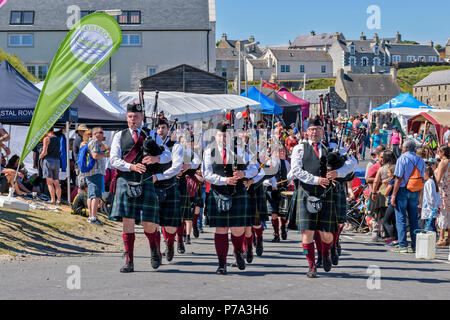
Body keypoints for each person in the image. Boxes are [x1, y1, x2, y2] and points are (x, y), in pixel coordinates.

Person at [287, 116, 354, 278]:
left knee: (327, 234)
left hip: (327, 194)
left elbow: (352, 163)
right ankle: (311, 265)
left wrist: (338, 172)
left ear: (322, 131)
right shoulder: (299, 148)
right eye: (311, 129)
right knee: (307, 232)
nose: (314, 132)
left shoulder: (331, 146)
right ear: (306, 132)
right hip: (307, 193)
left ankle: (326, 252)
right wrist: (317, 180)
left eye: (317, 129)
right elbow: (296, 171)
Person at [109, 103, 172, 273]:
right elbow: (113, 160)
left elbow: (167, 155)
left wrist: (156, 159)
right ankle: (129, 261)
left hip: (145, 180)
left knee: (148, 224)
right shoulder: (118, 136)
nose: (132, 120)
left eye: (136, 117)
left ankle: (154, 249)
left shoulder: (151, 134)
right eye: (130, 117)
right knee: (127, 222)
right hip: (126, 179)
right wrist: (131, 167)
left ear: (142, 117)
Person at [203, 122, 258, 275]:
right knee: (221, 229)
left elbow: (254, 168)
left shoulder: (241, 150)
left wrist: (243, 174)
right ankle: (222, 263)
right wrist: (224, 180)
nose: (223, 138)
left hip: (238, 192)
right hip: (219, 192)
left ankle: (238, 251)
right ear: (215, 136)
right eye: (220, 135)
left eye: (226, 135)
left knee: (238, 229)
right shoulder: (209, 151)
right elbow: (206, 174)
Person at [154, 118, 184, 262]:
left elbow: (176, 167)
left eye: (163, 127)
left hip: (169, 185)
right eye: (158, 128)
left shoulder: (176, 146)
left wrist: (159, 176)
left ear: (168, 129)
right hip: (153, 187)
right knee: (154, 222)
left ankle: (170, 243)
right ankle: (157, 251)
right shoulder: (150, 144)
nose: (161, 130)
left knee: (170, 224)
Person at [390, 140, 425, 253]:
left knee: (400, 217)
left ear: (405, 148)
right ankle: (415, 245)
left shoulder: (402, 159)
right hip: (415, 190)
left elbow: (398, 178)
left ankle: (403, 245)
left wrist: (393, 194)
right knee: (414, 218)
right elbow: (421, 179)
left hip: (403, 190)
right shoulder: (421, 160)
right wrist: (420, 196)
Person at [84, 127, 109, 226]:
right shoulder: (94, 142)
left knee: (91, 195)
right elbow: (95, 155)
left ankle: (91, 216)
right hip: (96, 172)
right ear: (95, 134)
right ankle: (93, 217)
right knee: (95, 195)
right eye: (101, 132)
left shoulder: (90, 142)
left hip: (92, 172)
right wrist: (105, 154)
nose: (103, 134)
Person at [39, 128, 62, 205]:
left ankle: (53, 199)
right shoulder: (58, 138)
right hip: (57, 161)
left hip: (48, 160)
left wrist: (40, 156)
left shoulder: (46, 138)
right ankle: (59, 200)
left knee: (49, 182)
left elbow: (44, 152)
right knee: (56, 182)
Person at [434, 146, 450, 246]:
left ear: (442, 152)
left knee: (443, 213)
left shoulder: (442, 163)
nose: (438, 153)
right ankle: (449, 238)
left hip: (443, 190)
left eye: (439, 151)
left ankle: (441, 238)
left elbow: (438, 179)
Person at [419, 165, 440, 233]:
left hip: (429, 209)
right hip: (430, 209)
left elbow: (431, 196)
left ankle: (432, 241)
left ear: (427, 173)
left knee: (430, 227)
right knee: (431, 226)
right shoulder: (431, 182)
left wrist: (432, 207)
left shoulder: (429, 182)